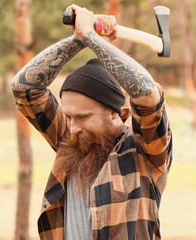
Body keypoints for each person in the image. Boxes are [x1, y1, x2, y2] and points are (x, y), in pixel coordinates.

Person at [11, 4, 173, 240]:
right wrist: (79, 39)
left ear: (115, 112)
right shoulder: (72, 141)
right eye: (69, 116)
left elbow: (148, 94)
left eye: (83, 117)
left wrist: (92, 37)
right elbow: (23, 87)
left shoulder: (145, 152)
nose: (73, 127)